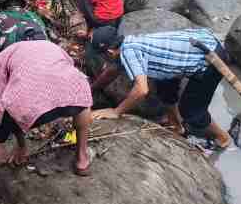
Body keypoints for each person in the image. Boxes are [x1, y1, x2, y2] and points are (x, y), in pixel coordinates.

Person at [0, 37, 93, 204]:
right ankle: (82, 159)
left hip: (26, 101)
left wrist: (20, 142)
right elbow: (68, 65)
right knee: (81, 101)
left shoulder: (2, 56)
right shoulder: (49, 44)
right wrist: (21, 145)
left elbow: (6, 96)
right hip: (72, 89)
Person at [90, 26, 232, 149]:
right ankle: (177, 127)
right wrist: (91, 89)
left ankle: (223, 139)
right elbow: (111, 72)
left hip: (210, 58)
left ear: (109, 52)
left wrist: (116, 111)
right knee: (165, 89)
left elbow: (141, 90)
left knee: (191, 112)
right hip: (200, 44)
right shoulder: (127, 43)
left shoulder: (129, 51)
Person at [0, 0, 49, 69]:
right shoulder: (36, 18)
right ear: (22, 3)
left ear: (3, 4)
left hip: (18, 65)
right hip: (47, 59)